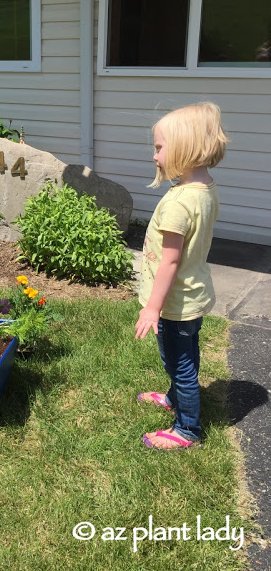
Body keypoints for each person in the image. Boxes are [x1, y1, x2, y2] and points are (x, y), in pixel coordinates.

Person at [135, 102, 228, 450]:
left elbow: (169, 262)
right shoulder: (206, 190)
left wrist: (152, 309)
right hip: (195, 295)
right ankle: (176, 395)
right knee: (187, 355)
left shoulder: (178, 203)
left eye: (159, 147)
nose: (155, 156)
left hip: (175, 304)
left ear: (185, 148)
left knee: (179, 363)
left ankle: (187, 430)